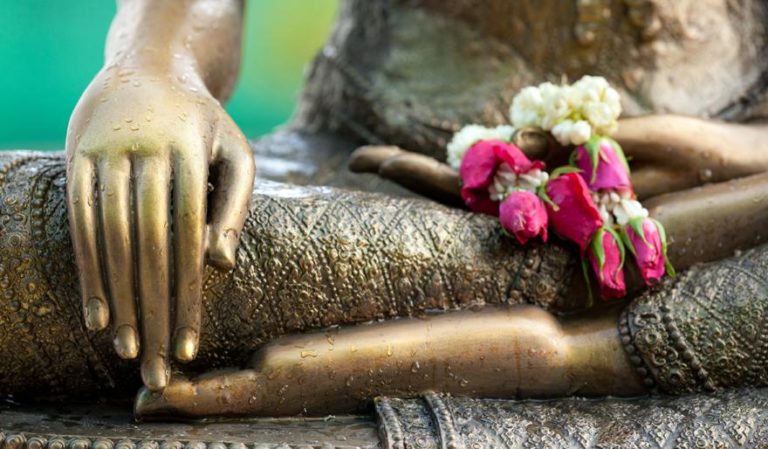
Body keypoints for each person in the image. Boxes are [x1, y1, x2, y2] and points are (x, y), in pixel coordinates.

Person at [43, 0, 768, 416]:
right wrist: (155, 69)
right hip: (360, 182)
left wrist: (726, 149)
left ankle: (570, 312)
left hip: (712, 203)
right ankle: (567, 303)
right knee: (52, 236)